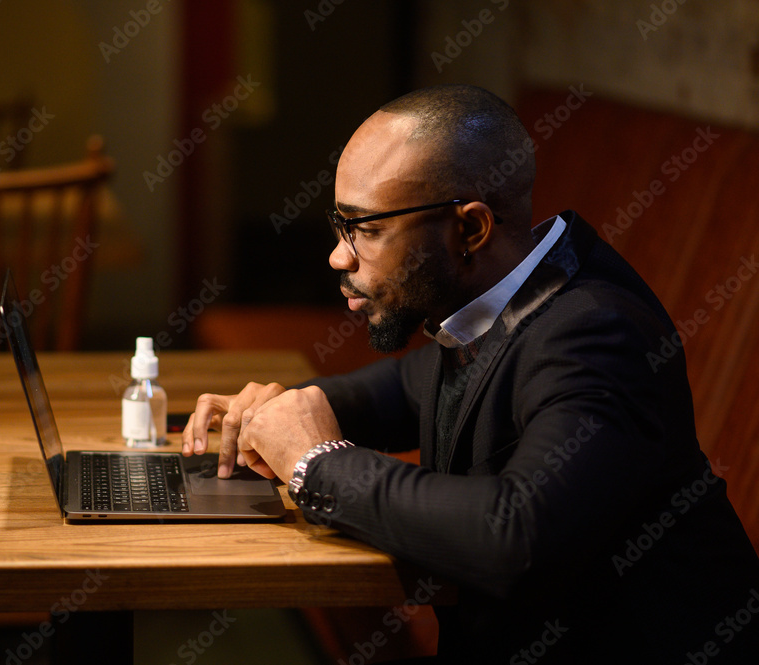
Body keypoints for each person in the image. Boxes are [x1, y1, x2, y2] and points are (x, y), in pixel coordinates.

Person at [181, 85, 759, 663]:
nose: (339, 257)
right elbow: (403, 390)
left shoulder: (595, 334)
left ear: (471, 228)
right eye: (341, 225)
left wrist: (314, 464)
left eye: (368, 229)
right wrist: (281, 412)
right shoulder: (494, 299)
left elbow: (516, 537)